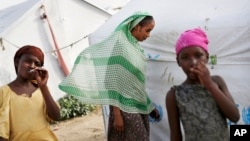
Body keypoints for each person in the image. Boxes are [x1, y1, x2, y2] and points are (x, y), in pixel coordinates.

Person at [59, 11, 159, 141]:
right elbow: (111, 81)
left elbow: (136, 83)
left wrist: (149, 105)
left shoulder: (135, 49)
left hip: (138, 105)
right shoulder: (120, 49)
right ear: (136, 27)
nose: (148, 35)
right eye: (147, 30)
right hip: (124, 109)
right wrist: (117, 114)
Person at [165, 28, 240, 141]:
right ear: (178, 61)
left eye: (198, 55)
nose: (193, 63)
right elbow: (175, 135)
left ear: (207, 57)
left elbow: (235, 117)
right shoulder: (174, 95)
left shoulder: (217, 82)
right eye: (185, 57)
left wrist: (209, 84)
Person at [0, 45, 60, 141]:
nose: (32, 66)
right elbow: (2, 132)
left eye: (37, 64)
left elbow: (56, 116)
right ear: (17, 62)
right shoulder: (4, 92)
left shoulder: (41, 89)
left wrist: (44, 87)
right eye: (28, 61)